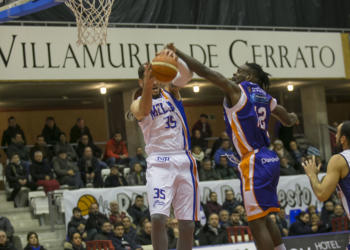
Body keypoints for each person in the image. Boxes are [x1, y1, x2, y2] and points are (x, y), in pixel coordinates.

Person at [171, 43, 299, 250]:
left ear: (248, 78)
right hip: (270, 158)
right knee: (265, 218)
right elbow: (286, 118)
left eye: (240, 71)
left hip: (255, 160)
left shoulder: (237, 90)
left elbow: (205, 71)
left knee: (256, 223)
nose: (234, 73)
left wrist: (178, 54)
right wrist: (294, 119)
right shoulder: (266, 97)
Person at [130, 49, 198, 250]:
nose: (154, 80)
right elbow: (144, 110)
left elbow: (187, 75)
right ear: (141, 82)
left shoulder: (172, 93)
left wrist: (177, 57)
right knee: (159, 218)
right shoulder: (136, 103)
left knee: (187, 224)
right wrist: (149, 80)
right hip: (159, 163)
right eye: (149, 76)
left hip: (184, 160)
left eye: (156, 75)